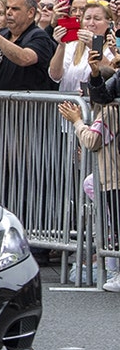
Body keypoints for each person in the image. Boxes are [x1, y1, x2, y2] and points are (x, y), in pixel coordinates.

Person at [58, 98, 120, 291]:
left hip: (113, 177)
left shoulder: (110, 111)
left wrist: (77, 121)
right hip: (109, 177)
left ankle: (116, 272)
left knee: (113, 228)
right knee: (111, 228)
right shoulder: (107, 110)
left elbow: (92, 141)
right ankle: (115, 271)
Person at [50, 0, 114, 92]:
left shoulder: (112, 47)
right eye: (87, 18)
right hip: (68, 104)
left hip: (96, 105)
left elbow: (112, 74)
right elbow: (55, 76)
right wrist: (61, 45)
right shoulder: (72, 46)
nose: (91, 23)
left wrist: (94, 46)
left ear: (109, 23)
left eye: (97, 19)